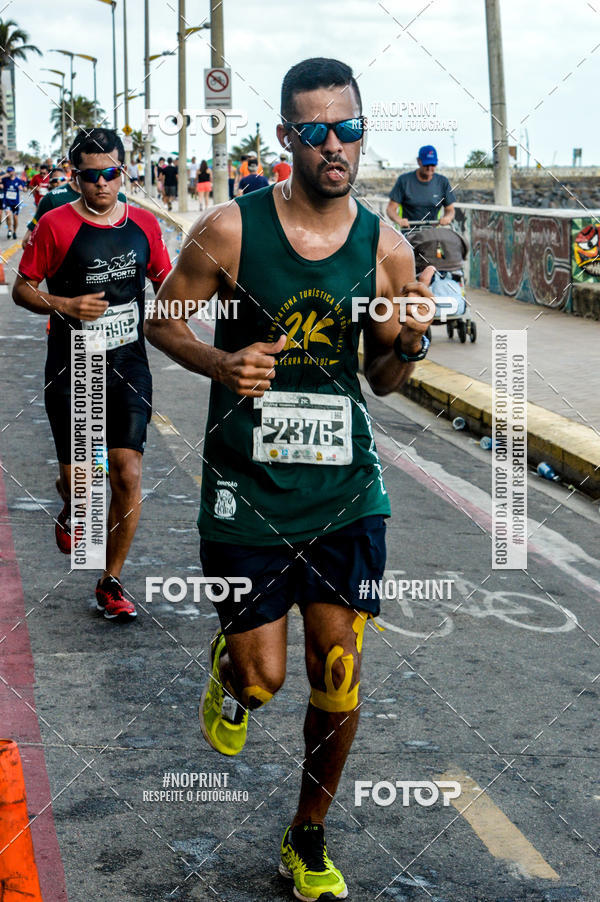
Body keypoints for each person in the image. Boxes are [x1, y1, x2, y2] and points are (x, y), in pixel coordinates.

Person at [144, 57, 433, 901]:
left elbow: (383, 379)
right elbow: (164, 317)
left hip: (345, 490)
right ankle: (231, 680)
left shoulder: (387, 245)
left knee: (335, 671)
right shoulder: (230, 231)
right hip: (245, 492)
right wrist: (219, 361)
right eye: (317, 132)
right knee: (263, 678)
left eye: (350, 127)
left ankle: (308, 834)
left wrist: (409, 341)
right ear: (286, 139)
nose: (336, 145)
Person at [13, 127, 172, 621]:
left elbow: (167, 281)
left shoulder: (145, 225)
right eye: (89, 175)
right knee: (81, 487)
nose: (101, 184)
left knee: (127, 472)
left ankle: (111, 580)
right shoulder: (56, 225)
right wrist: (63, 304)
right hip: (72, 362)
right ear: (75, 175)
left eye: (110, 173)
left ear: (123, 172)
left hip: (128, 362)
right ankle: (70, 505)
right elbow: (22, 289)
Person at [386, 145, 455, 227]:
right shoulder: (404, 181)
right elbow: (390, 209)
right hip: (409, 232)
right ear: (419, 161)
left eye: (432, 165)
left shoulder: (443, 182)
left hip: (433, 233)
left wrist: (447, 217)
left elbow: (450, 210)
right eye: (426, 164)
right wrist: (399, 220)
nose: (429, 168)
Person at [2, 166, 27, 239]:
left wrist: (23, 188)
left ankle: (14, 231)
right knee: (8, 215)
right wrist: (4, 175)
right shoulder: (5, 180)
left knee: (15, 218)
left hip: (15, 203)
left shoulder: (18, 180)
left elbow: (25, 189)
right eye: (8, 171)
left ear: (14, 172)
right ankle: (9, 229)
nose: (9, 173)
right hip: (7, 202)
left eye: (10, 171)